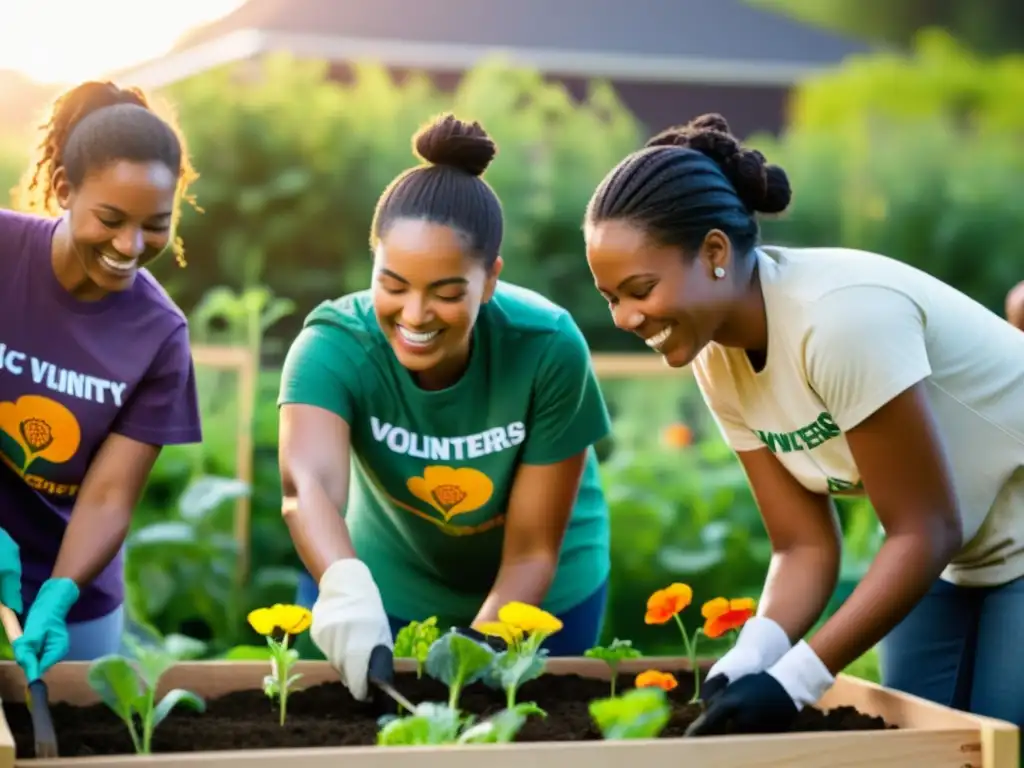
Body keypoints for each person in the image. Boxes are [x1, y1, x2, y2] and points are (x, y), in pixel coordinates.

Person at [582, 113, 1024, 733]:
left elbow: (923, 528)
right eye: (611, 298)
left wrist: (794, 683)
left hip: (975, 532)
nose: (626, 317)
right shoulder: (716, 360)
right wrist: (752, 657)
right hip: (959, 548)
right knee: (919, 743)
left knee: (1000, 738)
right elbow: (804, 544)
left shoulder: (837, 321)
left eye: (640, 288)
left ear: (713, 252)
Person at [278, 113, 612, 701]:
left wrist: (476, 648)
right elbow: (310, 489)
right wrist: (347, 590)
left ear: (489, 281)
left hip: (544, 590)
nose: (414, 315)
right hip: (382, 589)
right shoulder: (333, 348)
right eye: (394, 284)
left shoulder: (547, 348)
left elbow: (533, 550)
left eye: (447, 292)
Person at [0, 80, 203, 680]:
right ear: (64, 188)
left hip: (74, 598)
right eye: (111, 219)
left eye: (155, 225)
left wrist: (58, 596)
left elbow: (111, 495)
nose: (130, 245)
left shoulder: (160, 335)